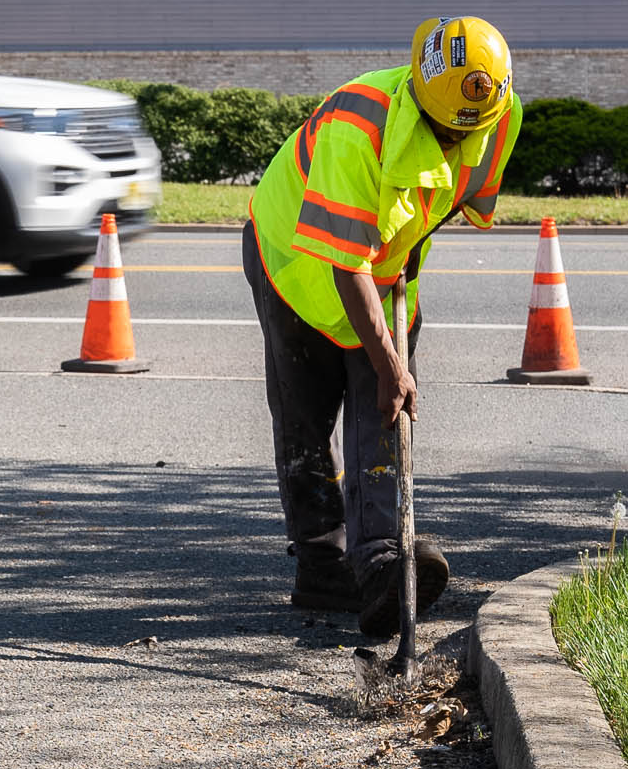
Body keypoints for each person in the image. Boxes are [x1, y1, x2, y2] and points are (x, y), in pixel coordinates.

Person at [243, 17, 522, 637]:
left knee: (385, 410)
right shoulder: (356, 127)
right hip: (296, 262)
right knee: (307, 414)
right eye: (447, 128)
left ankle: (383, 564)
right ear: (420, 100)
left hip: (384, 267)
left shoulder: (496, 111)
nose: (457, 137)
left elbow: (450, 197)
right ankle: (321, 564)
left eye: (465, 129)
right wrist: (389, 363)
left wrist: (404, 272)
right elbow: (346, 270)